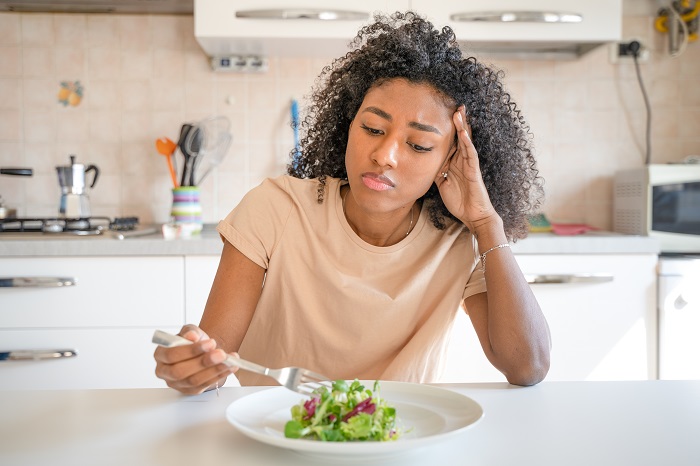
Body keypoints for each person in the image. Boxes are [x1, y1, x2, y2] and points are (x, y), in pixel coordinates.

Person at [154, 11, 551, 395]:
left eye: (418, 144)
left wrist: (485, 222)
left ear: (449, 160)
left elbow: (527, 366)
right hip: (277, 434)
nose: (385, 155)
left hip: (399, 437)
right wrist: (194, 364)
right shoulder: (274, 209)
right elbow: (213, 361)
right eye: (373, 128)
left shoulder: (458, 239)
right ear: (348, 124)